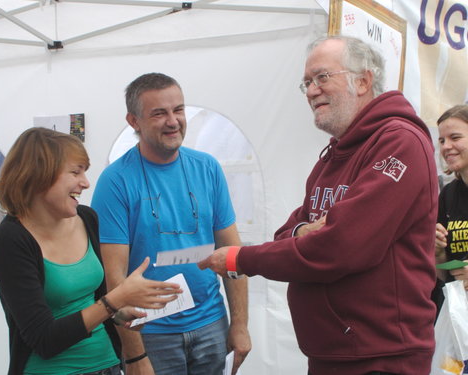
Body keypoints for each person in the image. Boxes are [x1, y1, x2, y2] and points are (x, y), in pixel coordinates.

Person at [199, 35, 438, 375]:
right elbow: (288, 231)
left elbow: (341, 246)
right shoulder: (333, 155)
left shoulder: (400, 142)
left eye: (322, 77)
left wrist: (241, 257)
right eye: (307, 82)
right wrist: (306, 232)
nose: (311, 91)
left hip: (381, 356)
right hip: (335, 351)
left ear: (363, 80)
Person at [91, 73, 251, 375]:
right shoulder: (116, 181)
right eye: (159, 113)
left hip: (211, 325)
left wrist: (240, 325)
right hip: (151, 334)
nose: (173, 121)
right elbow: (115, 281)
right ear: (134, 121)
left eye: (178, 110)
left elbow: (233, 253)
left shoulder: (207, 168)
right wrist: (135, 355)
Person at [0, 127, 182, 375]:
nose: (86, 183)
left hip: (107, 365)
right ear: (39, 175)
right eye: (75, 172)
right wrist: (114, 302)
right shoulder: (11, 241)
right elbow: (44, 340)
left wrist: (120, 314)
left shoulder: (86, 218)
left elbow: (96, 300)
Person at [435, 105, 468, 297]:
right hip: (459, 313)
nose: (446, 146)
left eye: (455, 138)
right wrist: (438, 252)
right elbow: (442, 277)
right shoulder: (448, 194)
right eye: (442, 140)